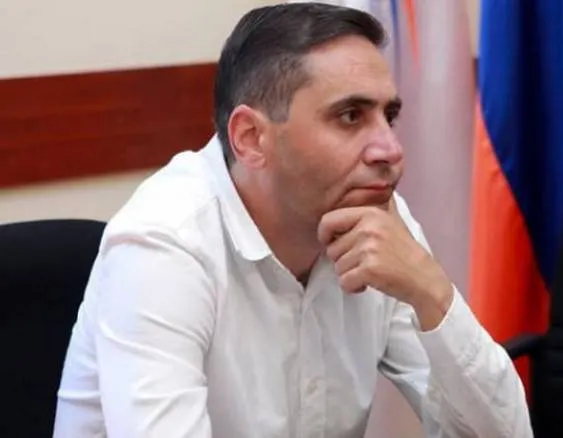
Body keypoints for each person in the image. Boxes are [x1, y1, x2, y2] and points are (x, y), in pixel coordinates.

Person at [53, 3, 533, 437]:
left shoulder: (376, 218)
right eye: (350, 116)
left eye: (389, 116)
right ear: (250, 138)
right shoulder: (164, 243)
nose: (390, 149)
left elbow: (504, 433)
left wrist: (431, 291)